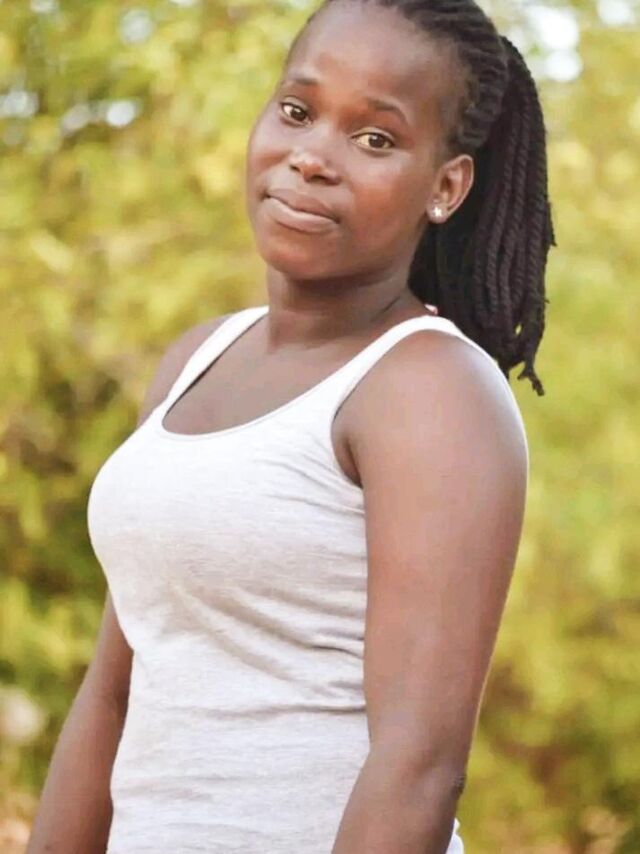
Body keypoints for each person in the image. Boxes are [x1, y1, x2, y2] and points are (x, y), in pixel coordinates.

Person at [27, 0, 555, 851]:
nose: (312, 158)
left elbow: (418, 762)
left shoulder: (430, 388)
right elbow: (113, 694)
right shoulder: (196, 358)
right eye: (298, 111)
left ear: (446, 186)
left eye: (375, 138)